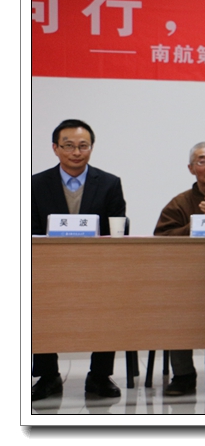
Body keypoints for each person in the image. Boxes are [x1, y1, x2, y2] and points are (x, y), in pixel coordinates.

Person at [31, 119, 125, 401]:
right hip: (48, 268)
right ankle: (48, 375)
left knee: (110, 305)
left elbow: (117, 227)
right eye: (68, 145)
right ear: (55, 148)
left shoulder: (109, 183)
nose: (76, 152)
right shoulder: (35, 184)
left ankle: (99, 376)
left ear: (91, 148)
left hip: (98, 268)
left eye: (83, 146)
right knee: (39, 305)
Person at [153, 141, 205, 396]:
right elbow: (161, 238)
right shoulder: (180, 203)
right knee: (177, 311)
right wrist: (197, 224)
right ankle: (183, 376)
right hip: (185, 280)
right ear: (191, 168)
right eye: (202, 161)